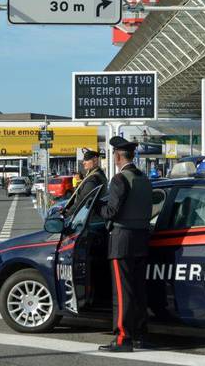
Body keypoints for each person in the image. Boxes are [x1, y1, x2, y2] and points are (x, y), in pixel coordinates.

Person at [97, 136, 154, 353]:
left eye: (114, 154)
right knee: (139, 291)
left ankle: (123, 338)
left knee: (122, 293)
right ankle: (140, 335)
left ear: (118, 156)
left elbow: (112, 211)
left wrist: (97, 211)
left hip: (122, 241)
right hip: (141, 239)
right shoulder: (144, 179)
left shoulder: (120, 179)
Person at [63, 148, 107, 217]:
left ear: (95, 161)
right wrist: (66, 208)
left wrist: (67, 215)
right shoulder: (94, 174)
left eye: (86, 160)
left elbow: (82, 200)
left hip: (87, 218)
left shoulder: (94, 178)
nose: (83, 162)